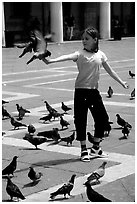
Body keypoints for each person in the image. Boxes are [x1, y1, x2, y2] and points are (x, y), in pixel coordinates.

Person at [42, 27, 129, 162]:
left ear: (95, 40)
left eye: (87, 39)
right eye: (83, 38)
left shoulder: (100, 54)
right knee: (81, 120)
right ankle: (83, 150)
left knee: (103, 119)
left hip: (94, 91)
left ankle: (95, 148)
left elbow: (110, 71)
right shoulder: (80, 54)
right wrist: (49, 61)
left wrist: (122, 82)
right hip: (81, 91)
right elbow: (66, 57)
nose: (83, 41)